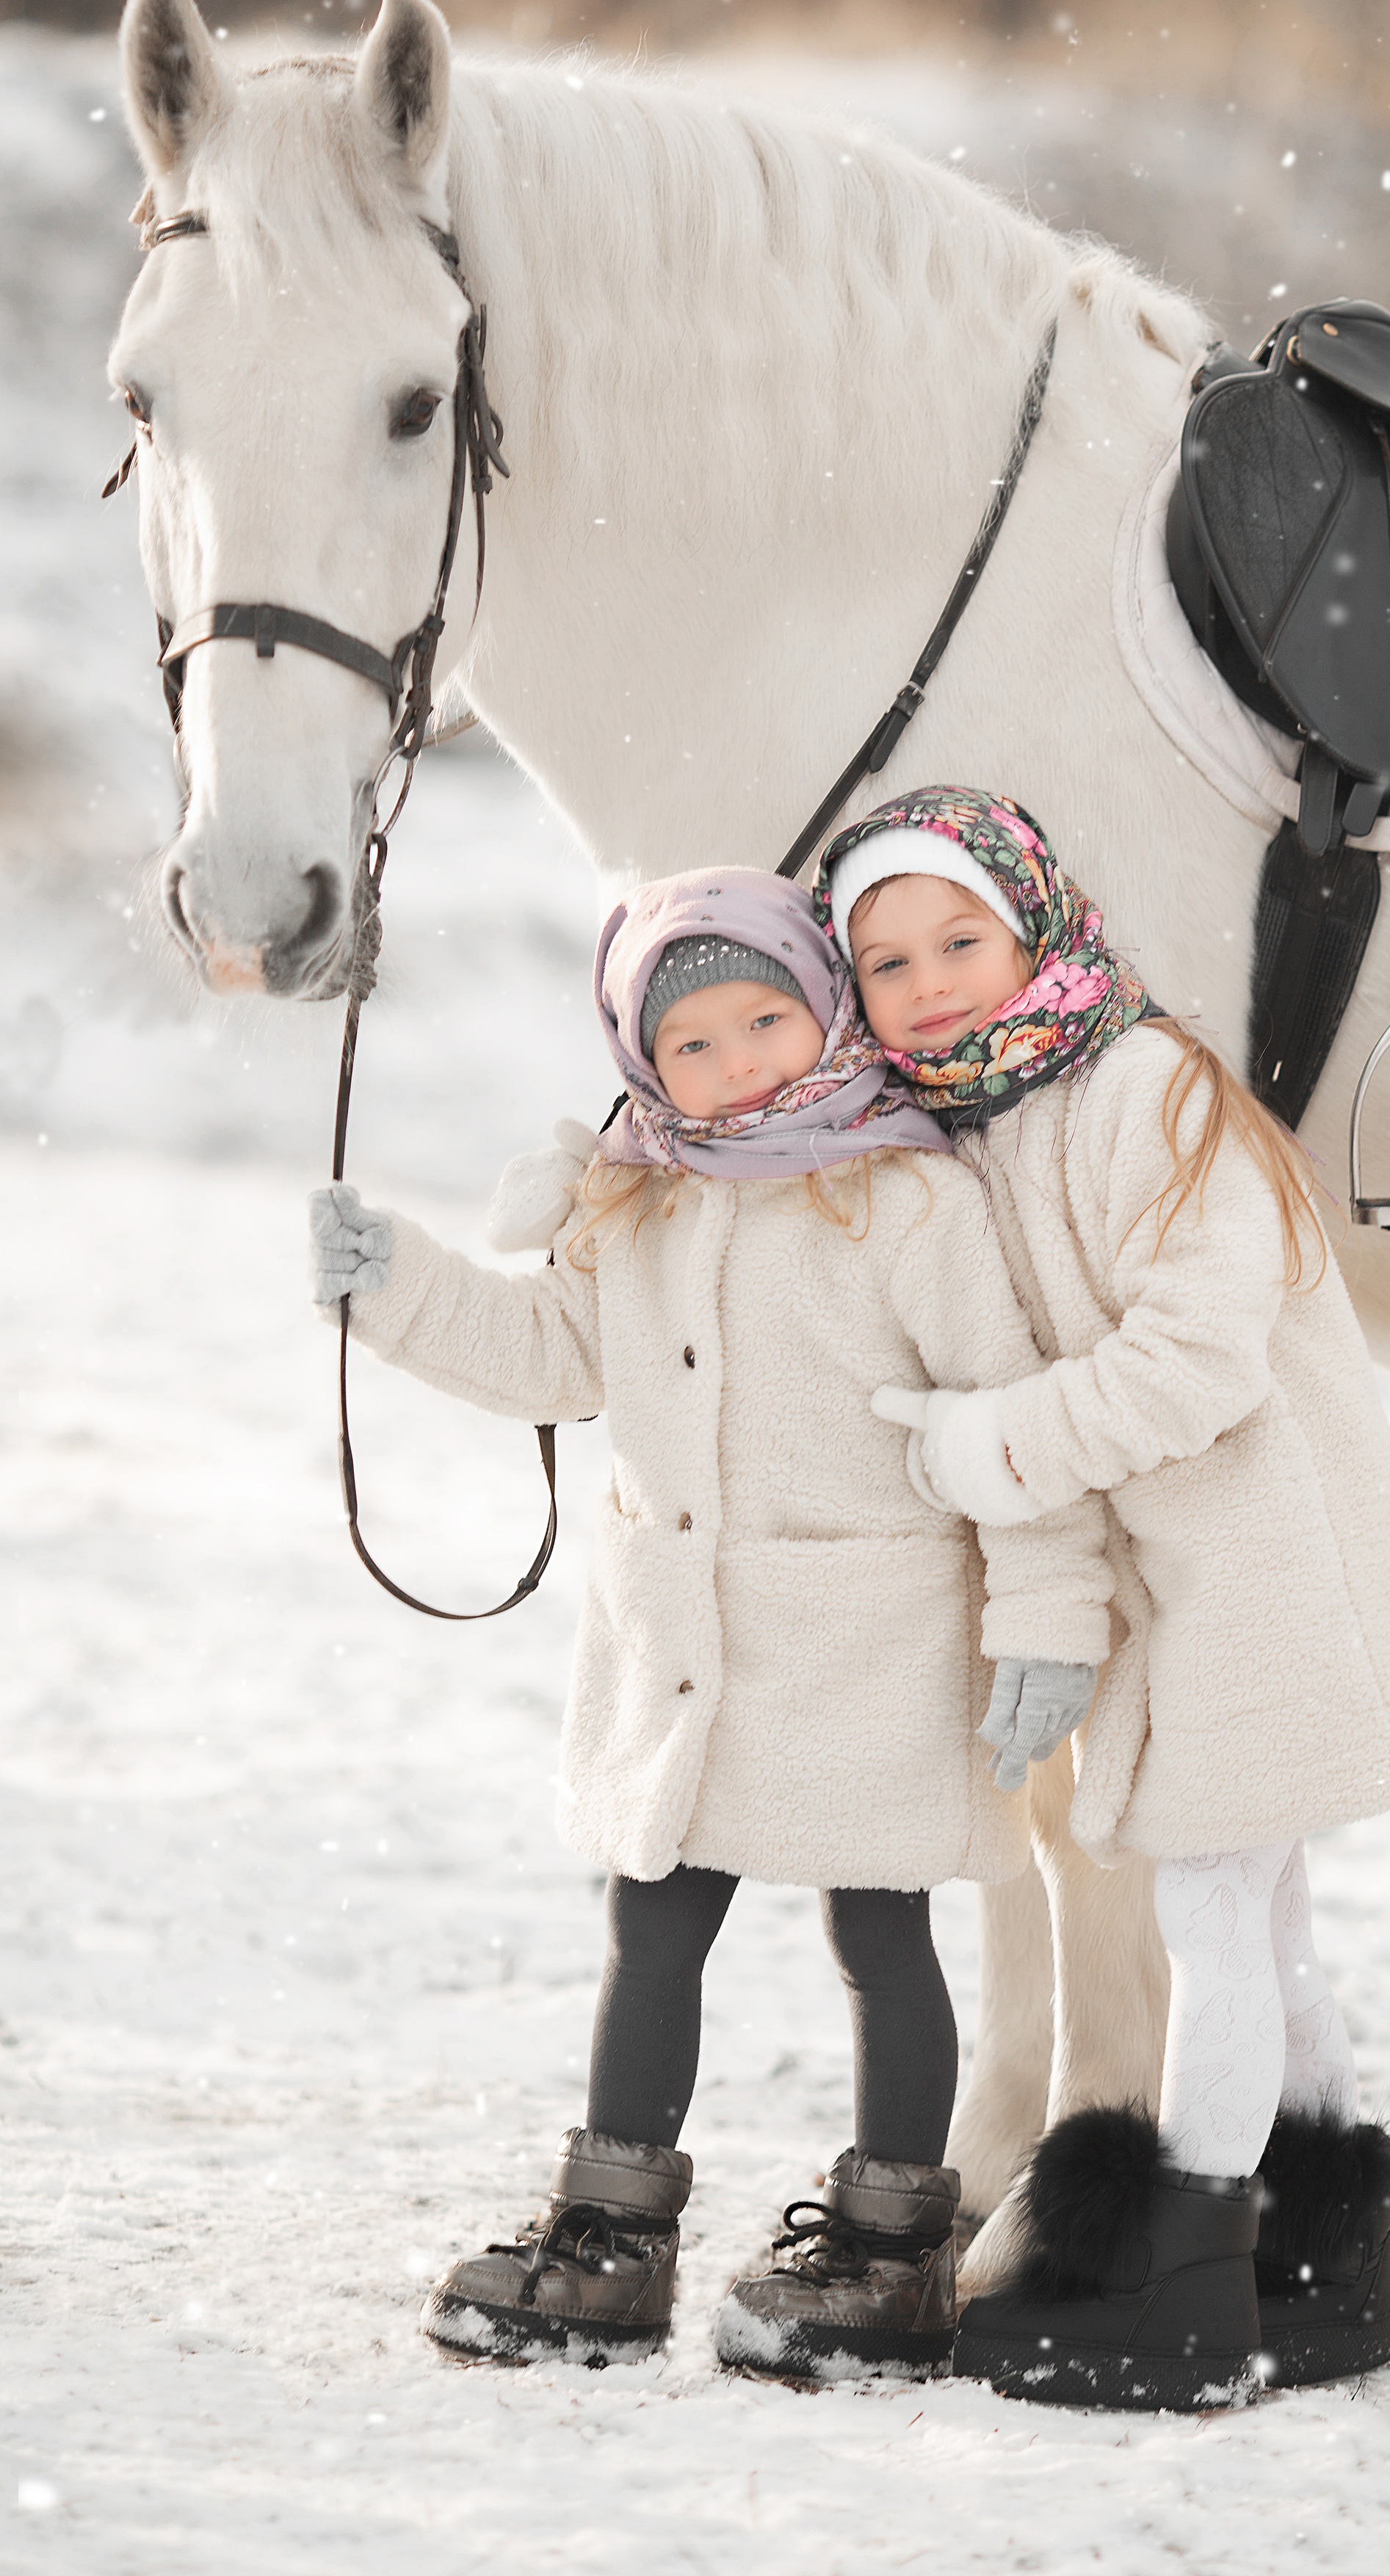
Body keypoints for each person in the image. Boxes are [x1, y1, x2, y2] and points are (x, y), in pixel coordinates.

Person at [306, 866, 1114, 2381]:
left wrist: (1047, 1615)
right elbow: (553, 1352)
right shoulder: (640, 1200)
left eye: (763, 1019)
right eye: (691, 1045)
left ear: (819, 1002)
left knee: (882, 1929)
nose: (736, 1063)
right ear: (638, 1061)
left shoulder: (903, 1197)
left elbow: (1005, 1423)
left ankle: (886, 2252)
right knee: (653, 1920)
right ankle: (611, 2234)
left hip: (866, 1641)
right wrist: (396, 1286)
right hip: (682, 1646)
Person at [815, 786, 1390, 2410]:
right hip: (1179, 1589)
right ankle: (1327, 2250)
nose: (928, 984)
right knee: (1262, 1916)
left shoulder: (1148, 1090)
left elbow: (1193, 1359)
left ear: (1034, 922)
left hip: (1259, 1576)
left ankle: (1188, 2280)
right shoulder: (982, 1120)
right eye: (885, 959)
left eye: (958, 937)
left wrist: (992, 1448)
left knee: (1206, 1917)